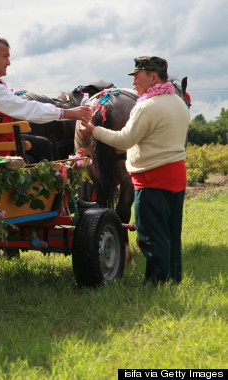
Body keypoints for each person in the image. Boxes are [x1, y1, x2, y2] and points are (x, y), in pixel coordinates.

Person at [78, 56, 191, 284]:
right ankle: (172, 279)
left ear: (153, 77)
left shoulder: (147, 106)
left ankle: (156, 283)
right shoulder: (178, 102)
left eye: (137, 77)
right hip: (175, 175)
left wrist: (94, 131)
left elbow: (125, 140)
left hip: (152, 178)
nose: (133, 83)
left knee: (150, 235)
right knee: (170, 233)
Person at [0, 34, 92, 163]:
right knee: (45, 145)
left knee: (39, 142)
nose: (8, 63)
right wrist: (67, 113)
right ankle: (51, 185)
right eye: (5, 57)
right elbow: (26, 109)